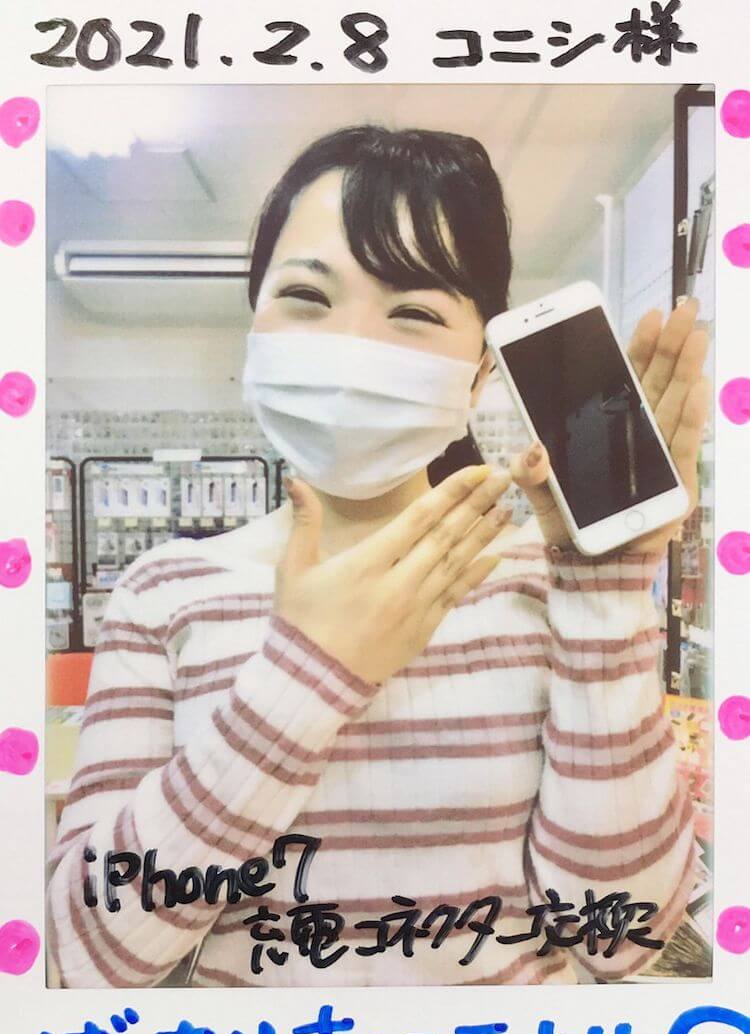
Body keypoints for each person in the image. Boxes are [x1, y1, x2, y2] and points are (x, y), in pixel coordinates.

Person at [47, 125, 710, 988]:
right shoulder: (161, 592)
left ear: (479, 374)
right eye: (306, 296)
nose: (352, 345)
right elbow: (84, 955)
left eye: (414, 312)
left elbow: (617, 934)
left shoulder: (548, 588)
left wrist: (606, 600)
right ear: (254, 331)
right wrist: (302, 679)